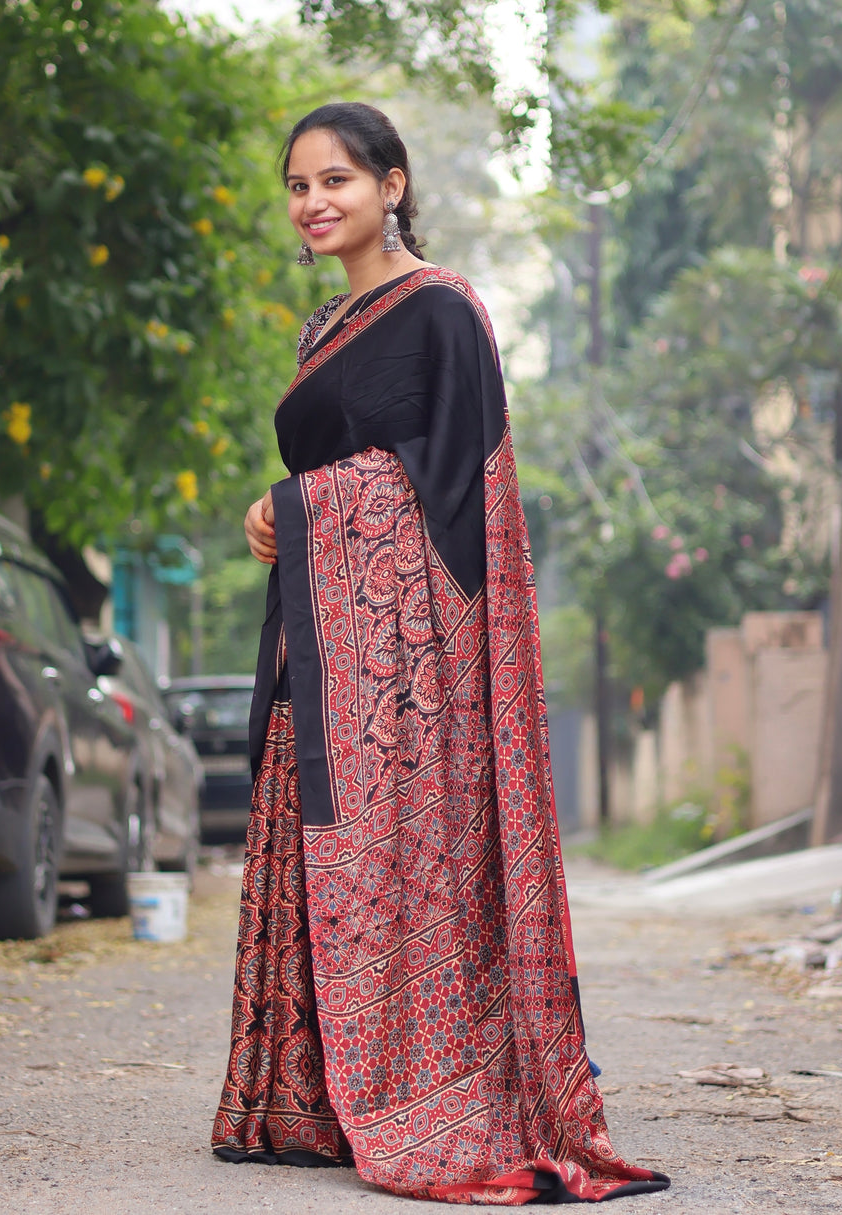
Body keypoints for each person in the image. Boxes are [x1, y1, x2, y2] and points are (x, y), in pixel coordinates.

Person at [211, 101, 670, 1206]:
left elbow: (458, 483)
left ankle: (444, 1091)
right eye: (298, 186)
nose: (313, 203)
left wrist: (304, 503)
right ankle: (308, 1101)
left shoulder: (445, 311)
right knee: (305, 838)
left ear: (394, 185)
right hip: (323, 641)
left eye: (337, 181)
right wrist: (283, 521)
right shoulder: (325, 326)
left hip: (411, 671)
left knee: (413, 862)